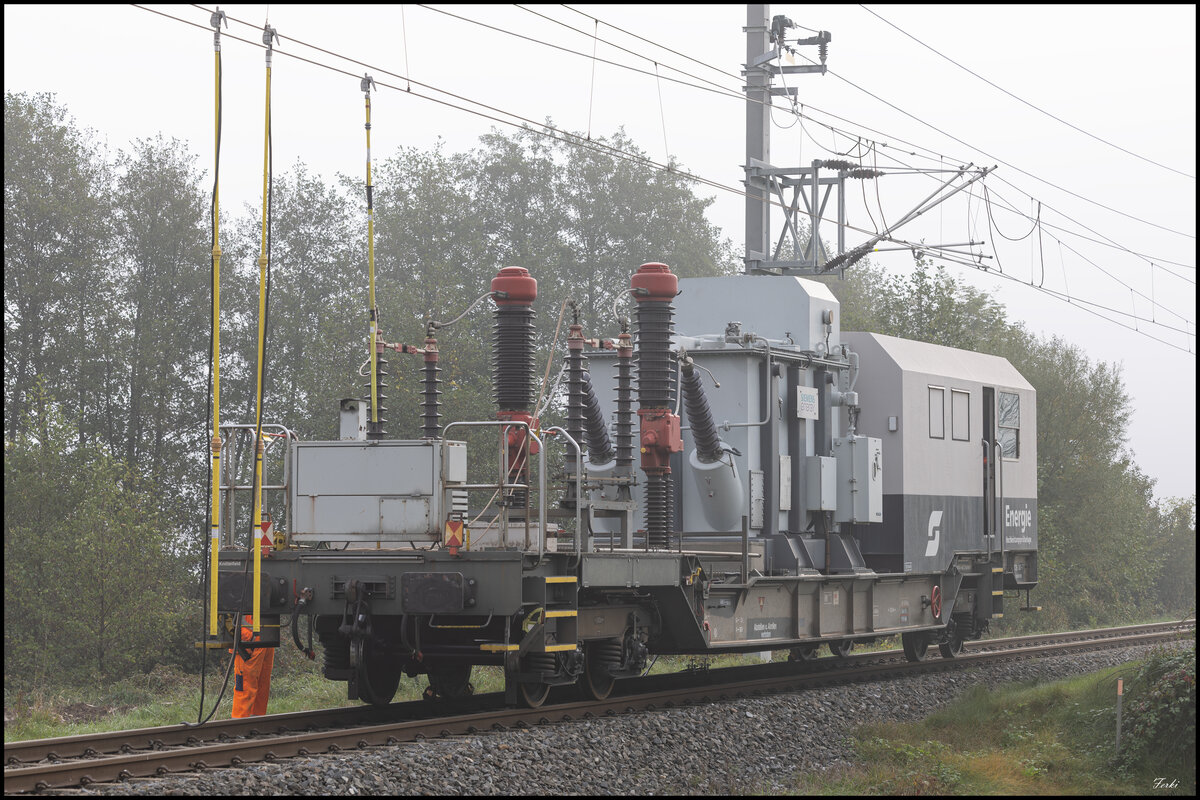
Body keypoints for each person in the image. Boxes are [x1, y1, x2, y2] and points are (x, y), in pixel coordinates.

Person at [230, 615, 275, 718]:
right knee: (245, 687)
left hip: (266, 637)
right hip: (247, 643)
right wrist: (247, 637)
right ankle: (238, 724)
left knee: (262, 686)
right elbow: (225, 615)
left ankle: (255, 722)